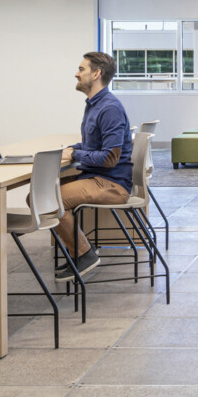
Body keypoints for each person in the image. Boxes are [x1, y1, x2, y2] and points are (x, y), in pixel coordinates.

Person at [52, 51, 133, 279]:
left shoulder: (109, 108)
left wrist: (76, 154)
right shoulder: (94, 105)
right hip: (95, 177)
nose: (76, 74)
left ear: (96, 74)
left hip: (111, 183)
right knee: (36, 196)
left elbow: (110, 158)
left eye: (81, 69)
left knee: (46, 200)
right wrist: (70, 149)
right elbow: (93, 144)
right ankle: (80, 251)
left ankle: (84, 254)